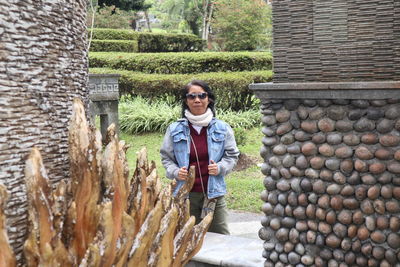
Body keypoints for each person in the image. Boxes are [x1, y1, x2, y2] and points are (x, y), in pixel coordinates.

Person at [160, 80, 239, 235]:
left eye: (202, 95)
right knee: (185, 238)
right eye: (192, 96)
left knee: (221, 238)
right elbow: (166, 158)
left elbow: (232, 155)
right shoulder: (174, 129)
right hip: (185, 195)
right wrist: (175, 171)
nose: (197, 100)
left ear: (208, 99)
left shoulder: (222, 128)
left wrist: (220, 167)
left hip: (213, 194)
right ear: (186, 100)